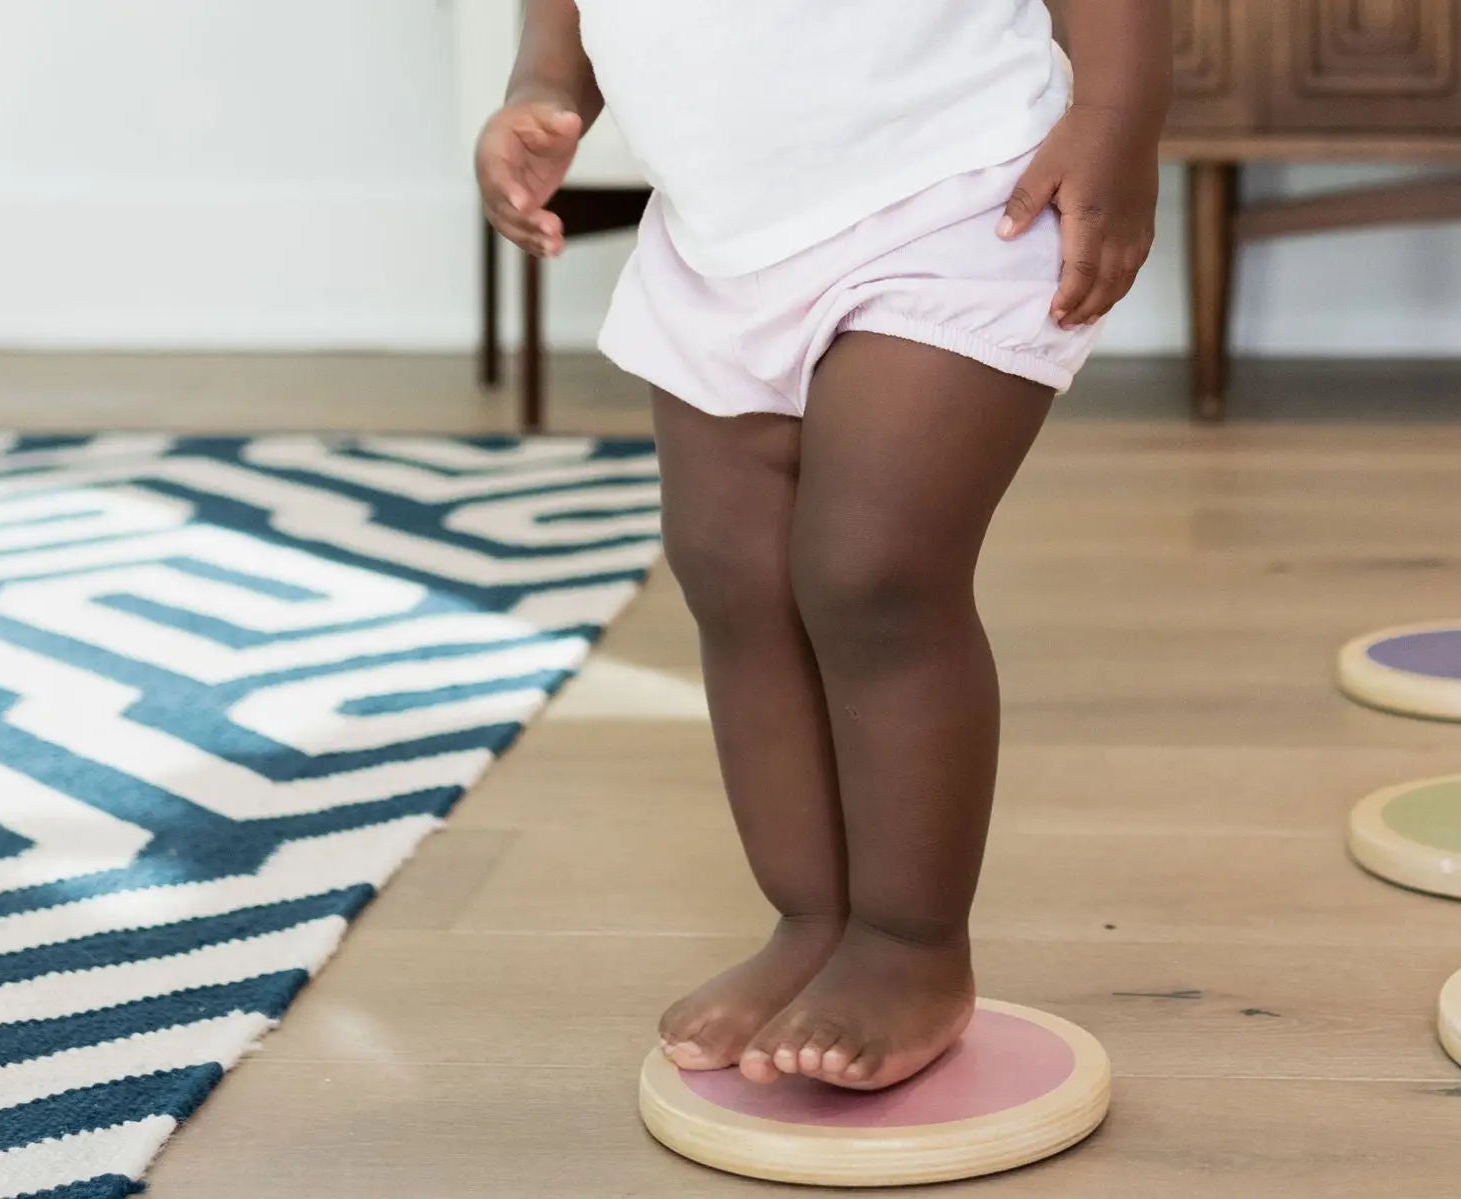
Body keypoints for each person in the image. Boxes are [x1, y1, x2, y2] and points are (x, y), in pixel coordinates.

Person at [477, 0, 1167, 1089]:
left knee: (871, 572)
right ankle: (812, 919)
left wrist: (1117, 116)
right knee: (734, 578)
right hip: (720, 233)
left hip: (961, 188)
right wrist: (546, 84)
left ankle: (908, 941)